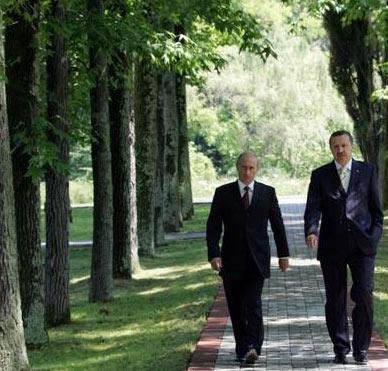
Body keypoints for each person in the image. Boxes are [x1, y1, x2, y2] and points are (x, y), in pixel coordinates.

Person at [304, 130, 383, 365]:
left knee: (364, 294)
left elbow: (376, 211)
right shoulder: (320, 175)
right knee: (335, 298)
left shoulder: (367, 172)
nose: (340, 150)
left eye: (344, 145)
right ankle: (341, 347)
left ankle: (361, 349)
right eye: (336, 146)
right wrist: (311, 230)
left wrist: (374, 236)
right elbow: (313, 208)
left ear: (351, 146)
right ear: (331, 149)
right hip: (332, 245)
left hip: (362, 245)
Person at [206, 152, 289, 364]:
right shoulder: (223, 193)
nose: (247, 172)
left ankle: (253, 346)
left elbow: (277, 225)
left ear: (257, 169)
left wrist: (283, 254)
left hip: (257, 259)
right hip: (231, 260)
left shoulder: (267, 193)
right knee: (236, 307)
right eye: (244, 167)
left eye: (251, 168)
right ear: (237, 167)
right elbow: (213, 226)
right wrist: (214, 254)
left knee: (253, 303)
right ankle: (242, 347)